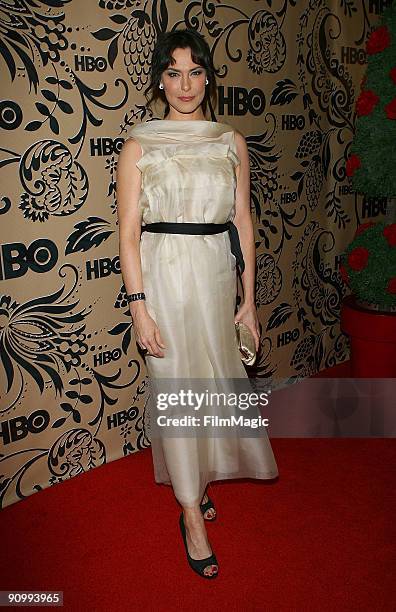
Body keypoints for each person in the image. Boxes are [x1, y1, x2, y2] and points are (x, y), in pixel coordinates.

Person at [117, 28, 279, 579]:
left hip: (214, 274)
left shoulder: (229, 140)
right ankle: (190, 512)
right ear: (160, 80)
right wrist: (139, 306)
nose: (184, 85)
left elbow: (243, 223)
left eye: (194, 72)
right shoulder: (140, 143)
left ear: (207, 75)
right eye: (172, 73)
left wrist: (249, 302)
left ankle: (197, 481)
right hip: (163, 275)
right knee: (175, 382)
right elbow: (128, 232)